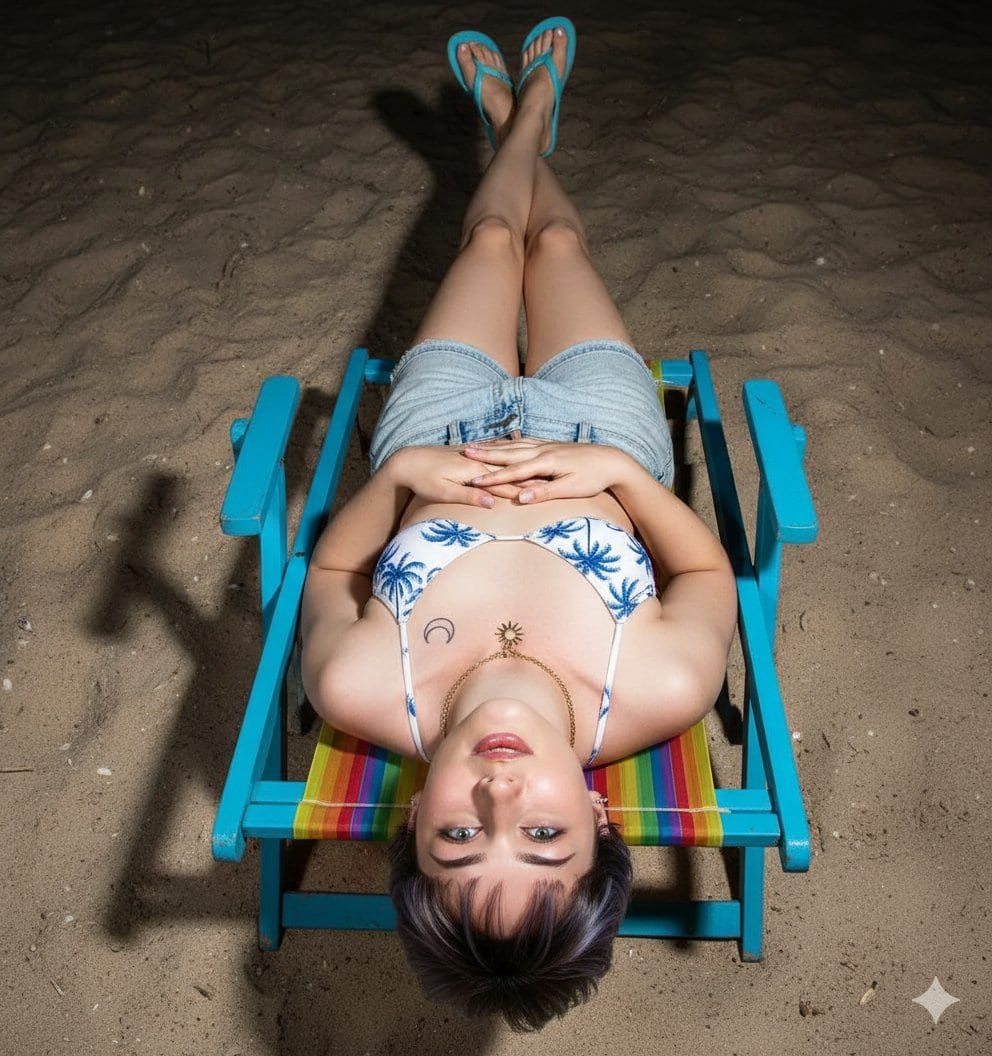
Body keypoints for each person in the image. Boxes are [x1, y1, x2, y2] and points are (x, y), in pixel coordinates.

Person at [301, 17, 737, 1031]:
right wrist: (619, 477)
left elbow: (329, 576)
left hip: (437, 430)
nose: (498, 795)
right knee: (558, 244)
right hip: (601, 435)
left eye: (459, 838)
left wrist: (404, 474)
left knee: (492, 239)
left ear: (412, 826)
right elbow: (707, 580)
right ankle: (527, 111)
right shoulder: (659, 682)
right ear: (595, 816)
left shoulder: (361, 683)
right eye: (541, 834)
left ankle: (516, 115)